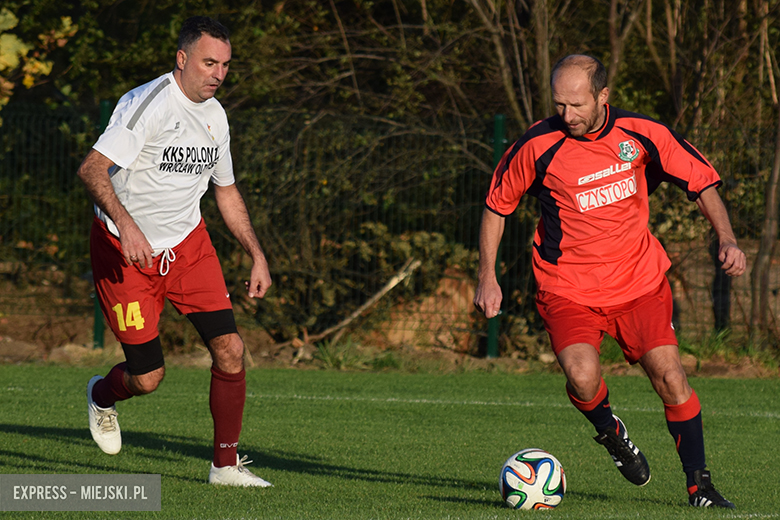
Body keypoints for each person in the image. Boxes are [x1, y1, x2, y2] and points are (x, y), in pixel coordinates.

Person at [474, 54, 746, 508]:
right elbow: (495, 206)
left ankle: (700, 486)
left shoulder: (641, 133)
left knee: (671, 377)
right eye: (559, 104)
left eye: (577, 105)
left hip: (639, 284)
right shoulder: (537, 145)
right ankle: (611, 432)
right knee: (582, 378)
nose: (567, 115)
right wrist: (488, 276)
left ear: (603, 96)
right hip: (566, 288)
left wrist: (728, 239)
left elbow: (702, 182)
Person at [77, 16, 273, 488]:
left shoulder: (216, 116)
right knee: (147, 378)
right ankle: (102, 396)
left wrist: (257, 254)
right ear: (182, 59)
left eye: (225, 65)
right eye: (209, 63)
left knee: (231, 349)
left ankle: (224, 467)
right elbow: (92, 168)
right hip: (125, 254)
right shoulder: (147, 104)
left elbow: (226, 190)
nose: (218, 74)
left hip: (188, 247)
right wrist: (128, 228)